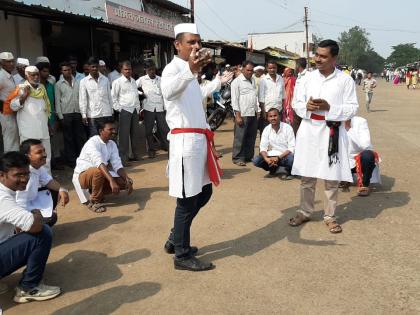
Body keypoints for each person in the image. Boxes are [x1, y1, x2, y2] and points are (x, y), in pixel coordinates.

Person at [161, 23, 222, 271]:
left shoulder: (193, 75)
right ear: (178, 45)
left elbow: (196, 108)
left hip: (199, 140)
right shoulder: (172, 69)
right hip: (185, 142)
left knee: (204, 192)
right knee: (186, 200)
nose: (196, 47)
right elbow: (169, 92)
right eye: (191, 42)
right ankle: (182, 255)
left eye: (198, 42)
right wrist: (190, 70)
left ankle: (176, 238)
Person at [289, 39, 358, 234]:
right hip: (310, 129)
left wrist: (330, 107)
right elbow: (296, 103)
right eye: (316, 55)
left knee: (331, 177)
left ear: (334, 58)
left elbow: (353, 108)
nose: (317, 59)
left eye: (323, 56)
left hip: (332, 132)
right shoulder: (306, 78)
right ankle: (304, 211)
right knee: (307, 176)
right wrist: (307, 108)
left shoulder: (345, 80)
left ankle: (329, 215)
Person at [0, 151, 61, 303]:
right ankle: (28, 287)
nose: (24, 179)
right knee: (42, 233)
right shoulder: (3, 198)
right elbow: (35, 226)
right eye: (18, 175)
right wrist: (36, 214)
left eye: (26, 174)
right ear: (2, 175)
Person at [72, 119, 133, 213]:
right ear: (101, 131)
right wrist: (111, 181)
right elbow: (99, 164)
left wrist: (127, 178)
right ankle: (94, 201)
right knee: (98, 171)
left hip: (99, 175)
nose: (114, 131)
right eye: (111, 129)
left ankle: (96, 192)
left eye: (114, 129)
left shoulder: (112, 144)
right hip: (83, 176)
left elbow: (117, 164)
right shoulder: (92, 142)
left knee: (123, 182)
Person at [17, 139, 70, 226]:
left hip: (31, 203)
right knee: (50, 219)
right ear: (27, 156)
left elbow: (48, 181)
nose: (44, 154)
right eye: (39, 152)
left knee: (55, 190)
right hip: (19, 211)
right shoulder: (23, 176)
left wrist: (62, 190)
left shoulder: (37, 167)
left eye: (44, 151)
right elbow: (19, 204)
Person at [10, 66, 52, 172]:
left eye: (37, 74)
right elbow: (12, 106)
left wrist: (48, 124)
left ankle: (47, 182)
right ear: (26, 76)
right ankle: (32, 185)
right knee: (30, 160)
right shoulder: (21, 88)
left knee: (46, 158)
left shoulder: (41, 88)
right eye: (33, 75)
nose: (36, 77)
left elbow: (45, 109)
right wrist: (24, 96)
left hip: (43, 129)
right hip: (29, 132)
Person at [55, 61, 86, 167]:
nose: (67, 72)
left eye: (69, 70)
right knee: (68, 138)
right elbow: (57, 101)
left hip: (78, 113)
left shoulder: (78, 82)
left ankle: (81, 159)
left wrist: (83, 113)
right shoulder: (58, 84)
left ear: (72, 70)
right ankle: (72, 161)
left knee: (80, 137)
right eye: (65, 70)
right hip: (66, 114)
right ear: (61, 71)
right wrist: (60, 116)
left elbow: (82, 98)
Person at [137, 61, 170, 158]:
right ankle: (151, 150)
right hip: (148, 108)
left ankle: (168, 147)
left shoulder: (161, 79)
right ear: (145, 70)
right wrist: (141, 94)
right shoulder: (142, 79)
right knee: (148, 131)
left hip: (160, 107)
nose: (152, 71)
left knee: (164, 129)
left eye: (153, 69)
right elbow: (133, 87)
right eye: (149, 70)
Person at [231, 60, 260, 166]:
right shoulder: (236, 82)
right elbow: (235, 100)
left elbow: (255, 97)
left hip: (253, 112)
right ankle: (238, 158)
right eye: (247, 70)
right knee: (240, 137)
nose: (250, 72)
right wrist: (237, 115)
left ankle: (248, 156)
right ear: (242, 69)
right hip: (242, 113)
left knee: (251, 136)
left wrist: (258, 111)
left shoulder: (253, 80)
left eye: (251, 70)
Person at [111, 60, 141, 164]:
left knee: (135, 134)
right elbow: (113, 98)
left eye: (129, 69)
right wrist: (120, 109)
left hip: (134, 111)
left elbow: (136, 96)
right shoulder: (117, 82)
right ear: (121, 70)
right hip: (125, 111)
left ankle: (135, 155)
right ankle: (123, 159)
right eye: (126, 69)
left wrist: (138, 108)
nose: (128, 71)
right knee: (123, 136)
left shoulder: (133, 81)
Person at [252, 108, 295, 179]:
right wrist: (266, 159)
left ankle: (290, 171)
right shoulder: (266, 129)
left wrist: (278, 158)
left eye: (275, 116)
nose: (273, 118)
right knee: (256, 160)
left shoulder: (288, 128)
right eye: (270, 116)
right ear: (268, 118)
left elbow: (291, 148)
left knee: (291, 159)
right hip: (272, 156)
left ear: (279, 116)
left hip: (284, 156)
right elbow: (263, 148)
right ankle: (273, 169)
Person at [344, 116, 380, 197]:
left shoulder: (360, 121)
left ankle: (364, 184)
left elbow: (365, 145)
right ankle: (345, 178)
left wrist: (349, 129)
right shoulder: (333, 120)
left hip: (359, 160)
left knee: (368, 155)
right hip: (343, 161)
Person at [79, 57, 114, 137]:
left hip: (106, 113)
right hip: (93, 115)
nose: (95, 68)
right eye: (92, 67)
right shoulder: (83, 82)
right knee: (95, 139)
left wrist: (111, 111)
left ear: (99, 67)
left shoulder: (105, 80)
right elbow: (83, 99)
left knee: (108, 138)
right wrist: (84, 115)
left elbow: (109, 96)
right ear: (88, 67)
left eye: (96, 66)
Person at [258, 60, 285, 136]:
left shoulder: (281, 79)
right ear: (267, 69)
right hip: (267, 112)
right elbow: (261, 98)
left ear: (276, 68)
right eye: (270, 68)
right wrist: (263, 112)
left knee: (278, 132)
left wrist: (282, 109)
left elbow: (283, 96)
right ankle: (264, 148)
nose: (272, 70)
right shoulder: (263, 80)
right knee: (265, 132)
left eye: (274, 68)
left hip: (278, 111)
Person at [0, 52, 20, 152]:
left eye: (12, 61)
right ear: (1, 63)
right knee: (10, 140)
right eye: (8, 62)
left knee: (15, 139)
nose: (11, 64)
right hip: (6, 114)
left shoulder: (10, 76)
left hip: (13, 112)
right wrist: (3, 108)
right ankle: (10, 166)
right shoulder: (1, 76)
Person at [291, 58, 308, 134]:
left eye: (295, 65)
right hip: (296, 109)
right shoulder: (299, 76)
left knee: (303, 133)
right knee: (295, 132)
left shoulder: (308, 76)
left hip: (303, 110)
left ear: (298, 65)